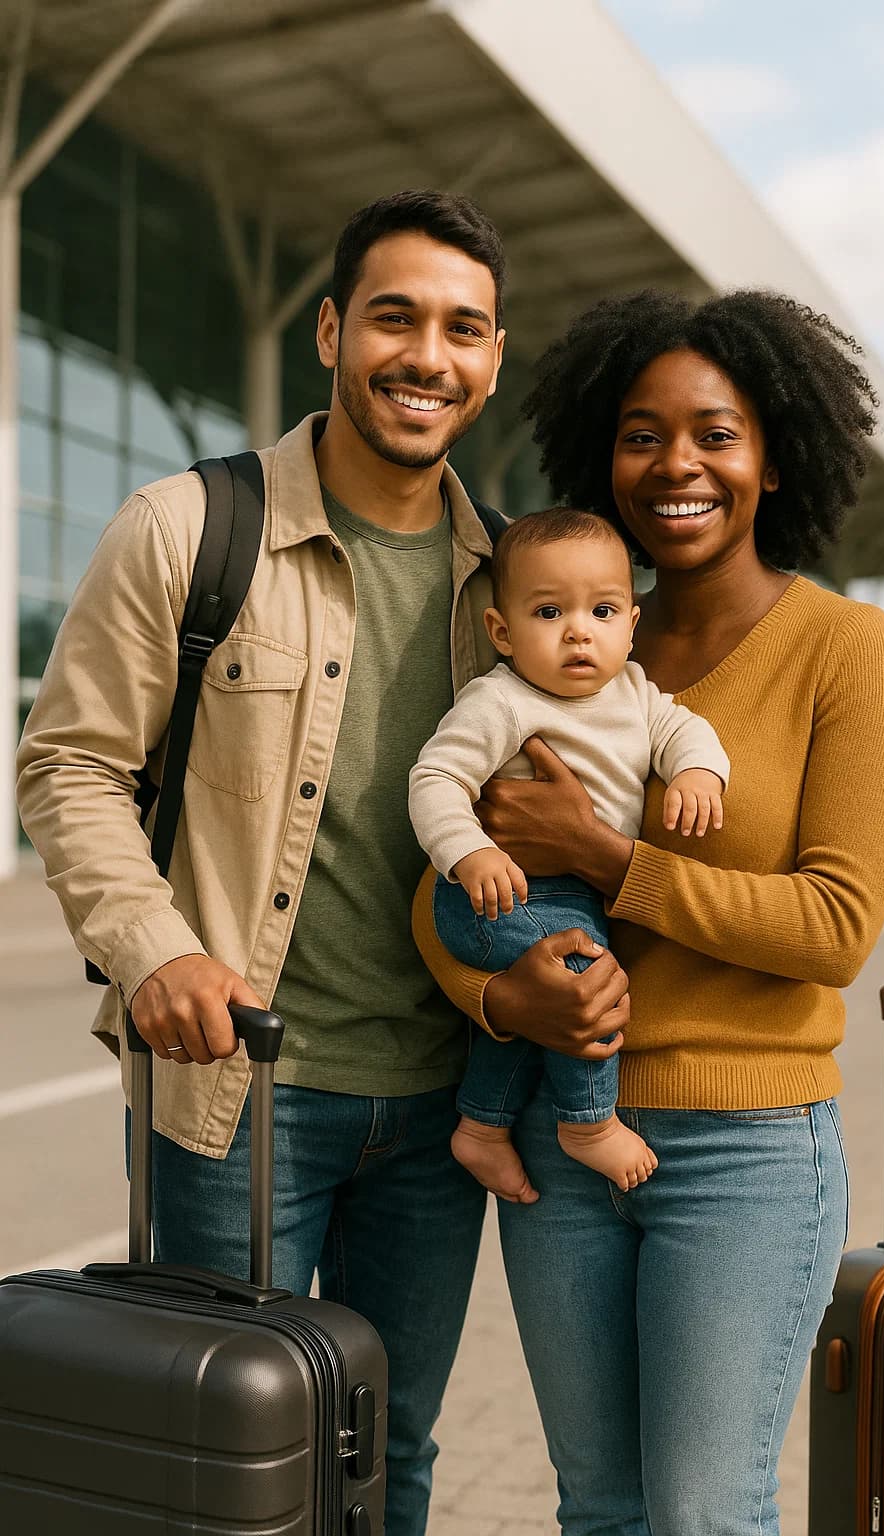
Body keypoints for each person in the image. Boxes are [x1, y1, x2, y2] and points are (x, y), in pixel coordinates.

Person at [15, 189, 624, 1536]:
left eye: (463, 329)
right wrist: (155, 945)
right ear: (334, 332)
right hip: (241, 1097)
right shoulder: (189, 528)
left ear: (495, 358)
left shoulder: (507, 582)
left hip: (442, 1098)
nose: (428, 356)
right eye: (395, 318)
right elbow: (68, 764)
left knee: (390, 1456)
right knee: (221, 1461)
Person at [413, 287, 884, 1536]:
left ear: (775, 452)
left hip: (745, 1154)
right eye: (641, 434)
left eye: (715, 431)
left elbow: (833, 928)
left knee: (703, 1511)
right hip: (555, 1139)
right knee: (597, 1509)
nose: (677, 463)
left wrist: (610, 851)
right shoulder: (548, 648)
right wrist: (493, 992)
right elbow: (442, 876)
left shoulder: (846, 650)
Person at [409, 507, 729, 1201]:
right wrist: (468, 853)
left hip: (575, 897)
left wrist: (699, 774)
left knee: (538, 1013)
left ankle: (482, 1126)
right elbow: (434, 778)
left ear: (631, 625)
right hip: (491, 898)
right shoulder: (501, 700)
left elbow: (685, 731)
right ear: (503, 632)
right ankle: (587, 1122)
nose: (580, 630)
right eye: (550, 611)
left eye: (604, 610)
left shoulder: (634, 694)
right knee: (583, 981)